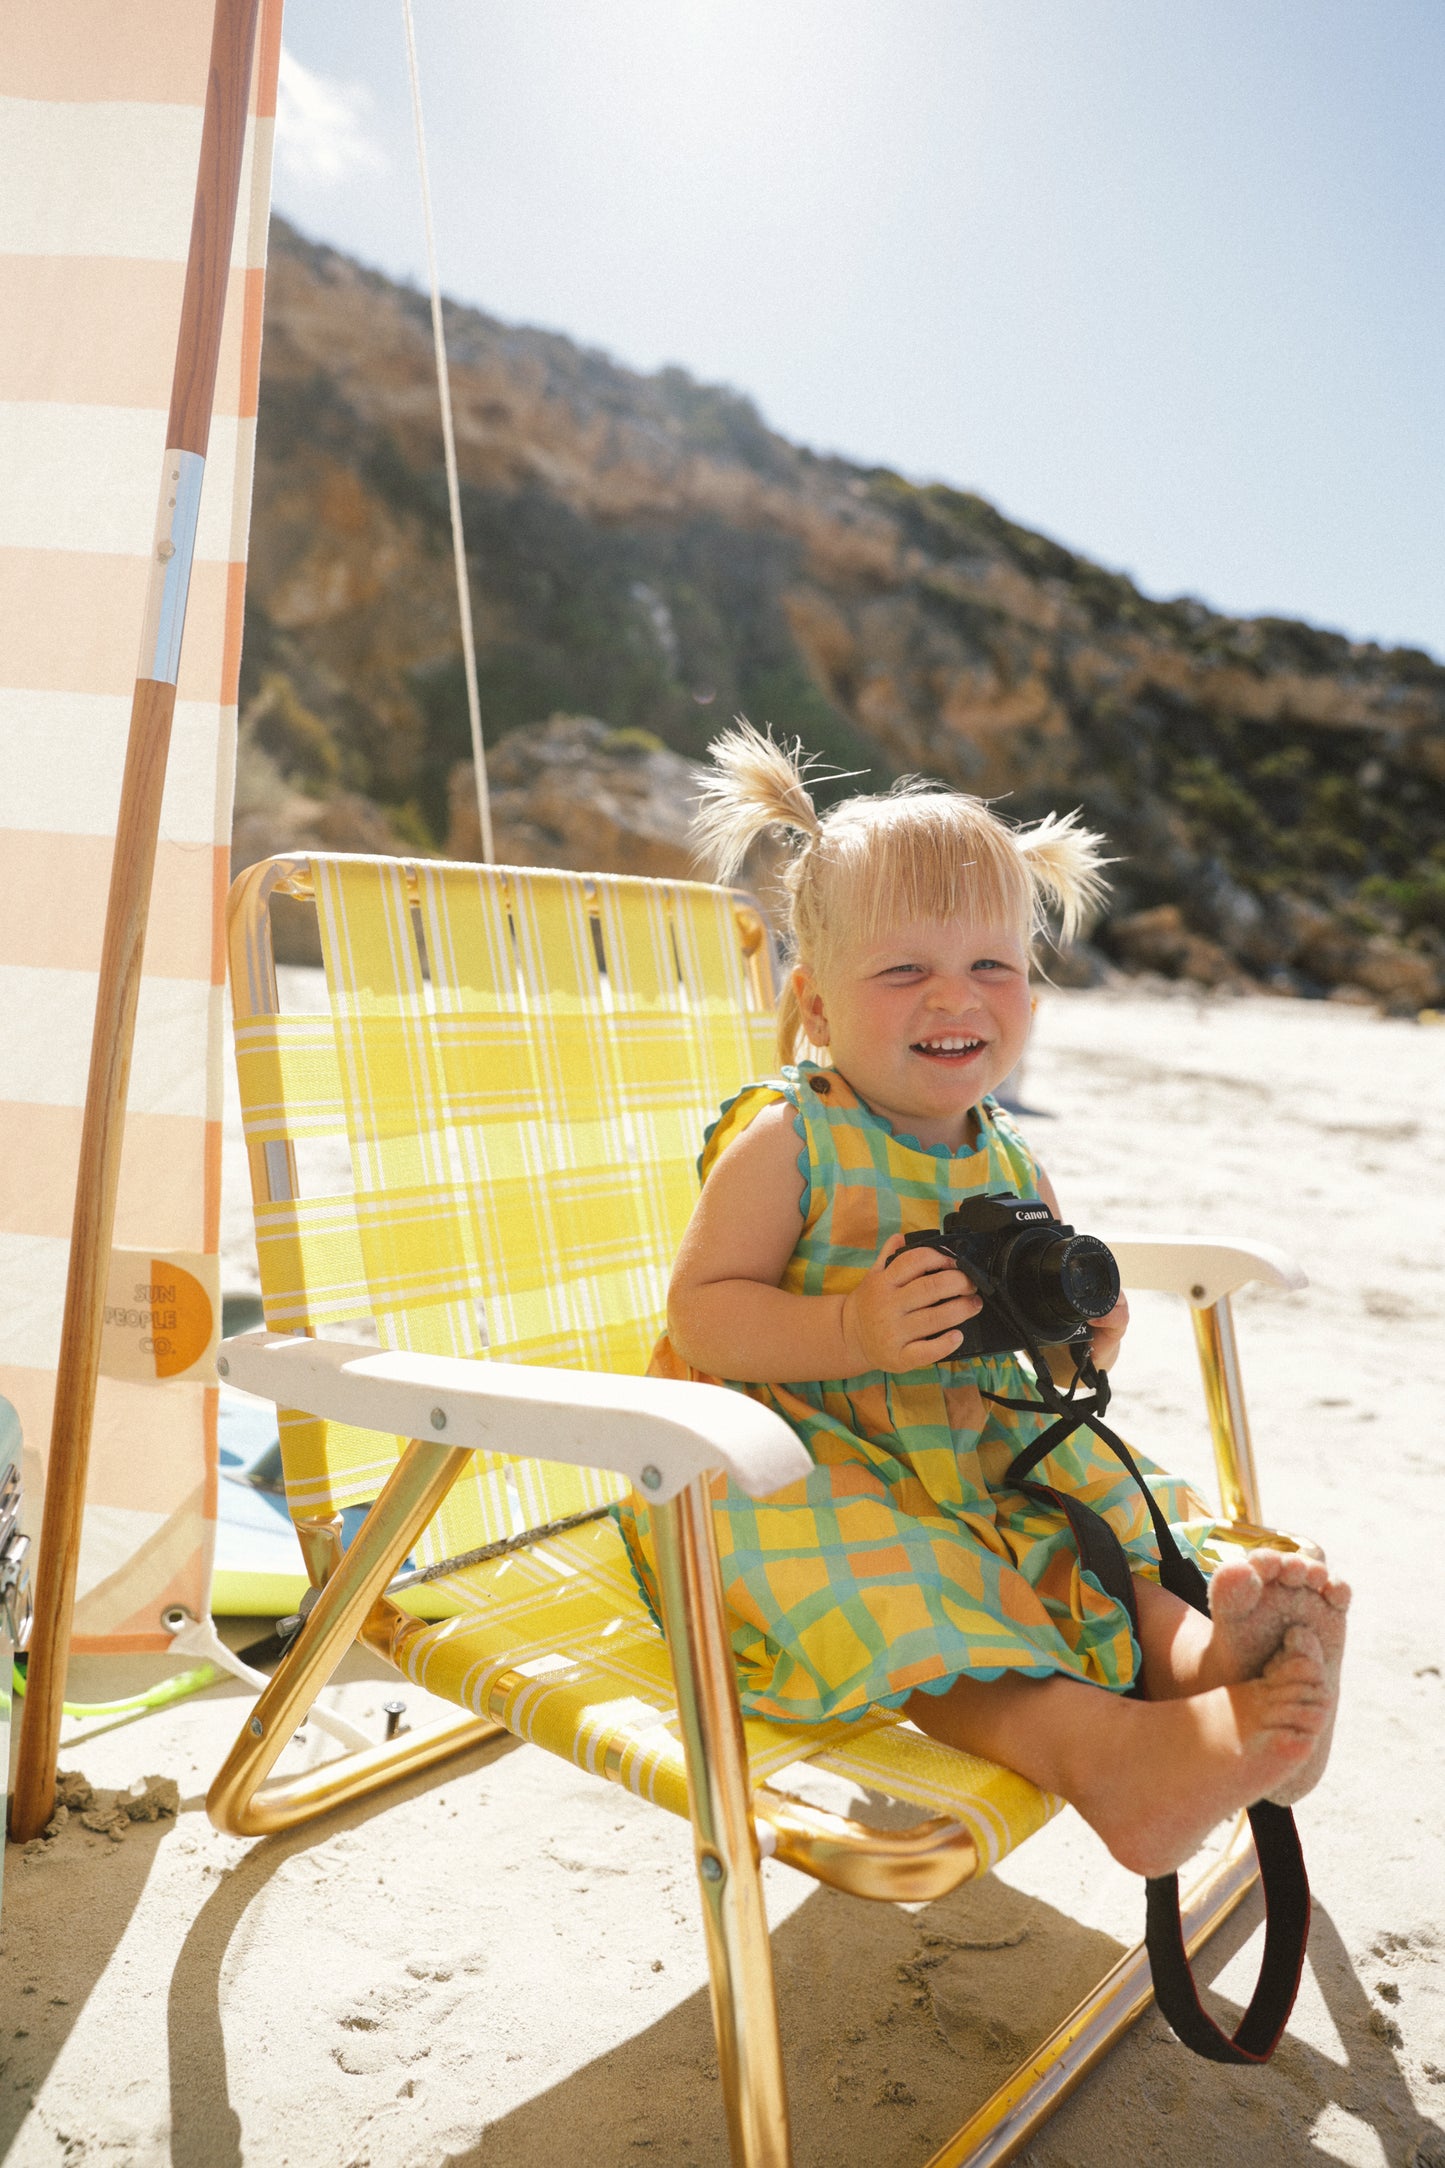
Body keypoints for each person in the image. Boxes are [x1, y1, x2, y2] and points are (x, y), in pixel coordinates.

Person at [618, 722, 1348, 1879]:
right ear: (813, 1007)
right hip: (793, 1456)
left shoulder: (1011, 1159)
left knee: (1094, 1521)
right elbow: (701, 1314)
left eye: (991, 966)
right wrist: (848, 1329)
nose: (952, 995)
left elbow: (1040, 1347)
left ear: (1032, 999)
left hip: (976, 1436)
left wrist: (1076, 1341)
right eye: (903, 968)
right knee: (920, 1586)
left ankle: (1212, 1668)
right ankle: (1109, 1755)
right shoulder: (787, 1138)